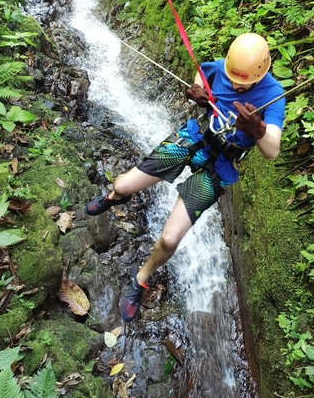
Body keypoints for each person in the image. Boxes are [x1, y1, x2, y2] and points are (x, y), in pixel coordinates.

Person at [85, 33, 286, 322]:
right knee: (122, 184)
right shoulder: (221, 68)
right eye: (231, 77)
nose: (233, 84)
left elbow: (272, 150)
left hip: (222, 166)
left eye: (241, 82)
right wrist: (196, 91)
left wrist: (257, 130)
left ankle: (139, 278)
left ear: (259, 74)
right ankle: (113, 196)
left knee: (169, 239)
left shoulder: (273, 95)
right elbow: (203, 72)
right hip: (194, 136)